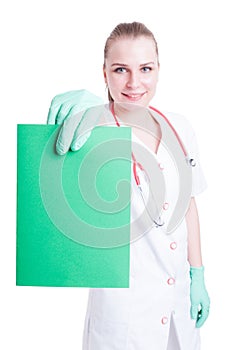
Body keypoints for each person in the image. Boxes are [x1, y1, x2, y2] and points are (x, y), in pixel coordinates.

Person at [47, 22, 210, 350]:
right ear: (104, 74)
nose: (135, 82)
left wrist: (198, 275)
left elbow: (188, 205)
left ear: (158, 70)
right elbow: (51, 174)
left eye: (145, 68)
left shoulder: (179, 127)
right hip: (124, 317)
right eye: (121, 69)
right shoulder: (91, 130)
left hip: (178, 305)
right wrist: (89, 116)